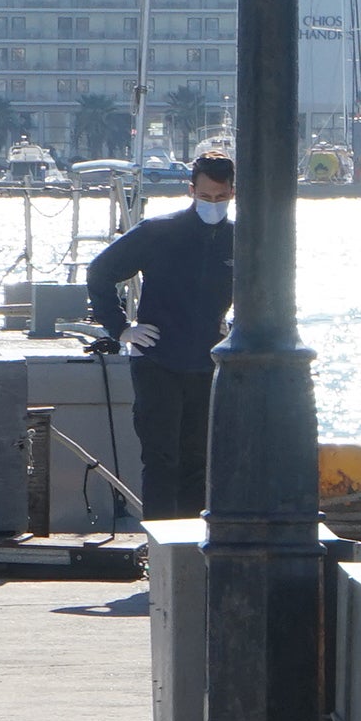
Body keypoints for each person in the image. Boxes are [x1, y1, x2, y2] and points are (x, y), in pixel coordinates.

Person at [82, 153, 235, 520]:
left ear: (232, 191)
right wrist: (121, 328)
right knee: (161, 457)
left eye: (221, 197)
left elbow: (263, 290)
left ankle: (192, 548)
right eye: (206, 196)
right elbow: (99, 272)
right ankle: (161, 549)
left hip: (206, 362)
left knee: (198, 458)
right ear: (191, 190)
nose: (213, 204)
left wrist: (234, 324)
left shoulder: (239, 239)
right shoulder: (158, 232)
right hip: (156, 360)